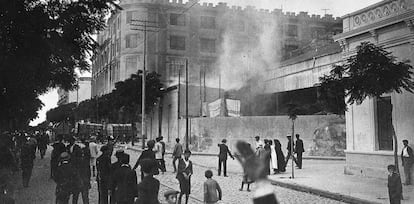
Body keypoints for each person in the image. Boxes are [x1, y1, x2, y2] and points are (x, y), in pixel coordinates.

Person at [73, 139, 91, 204]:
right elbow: (88, 172)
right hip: (84, 181)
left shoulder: (74, 161)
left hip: (76, 181)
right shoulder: (86, 162)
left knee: (75, 197)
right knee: (85, 197)